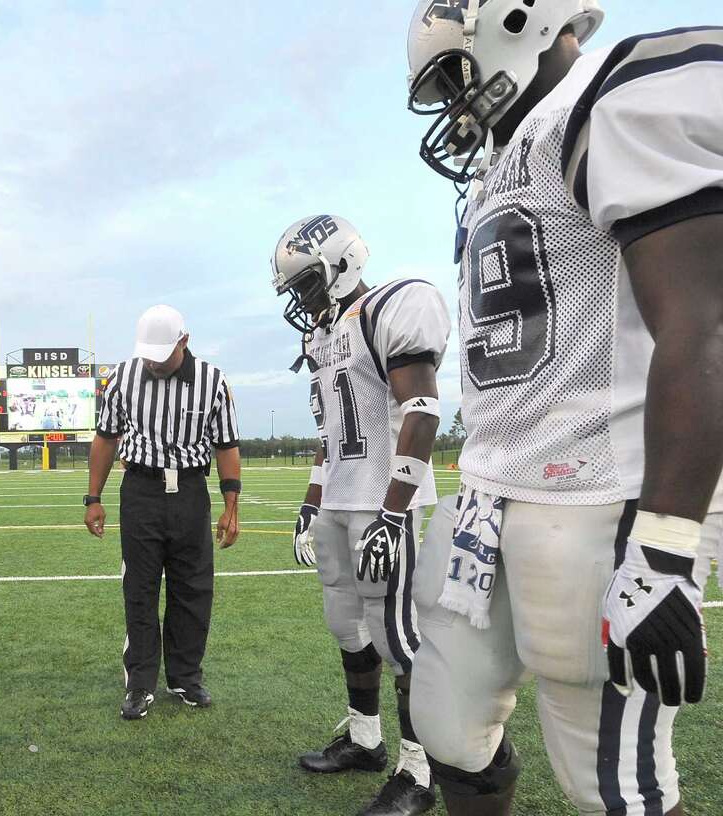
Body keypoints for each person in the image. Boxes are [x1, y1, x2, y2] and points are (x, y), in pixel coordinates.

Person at [405, 3, 723, 814]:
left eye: (452, 78)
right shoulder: (507, 160)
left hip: (595, 489)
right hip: (490, 489)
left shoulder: (604, 99)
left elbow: (706, 325)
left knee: (611, 779)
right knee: (445, 723)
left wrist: (665, 547)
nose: (452, 106)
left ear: (518, 23)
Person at [274, 215, 449, 816]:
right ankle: (365, 739)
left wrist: (395, 514)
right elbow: (328, 434)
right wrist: (309, 502)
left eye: (308, 282)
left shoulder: (388, 309)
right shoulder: (319, 336)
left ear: (343, 262)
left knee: (398, 635)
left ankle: (420, 772)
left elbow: (423, 410)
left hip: (381, 498)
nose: (303, 298)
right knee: (345, 621)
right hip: (341, 498)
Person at [84, 305, 241, 721]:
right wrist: (92, 497)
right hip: (141, 489)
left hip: (190, 490)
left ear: (184, 341)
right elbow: (106, 438)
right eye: (148, 353)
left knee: (193, 588)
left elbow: (225, 445)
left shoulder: (212, 382)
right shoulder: (123, 377)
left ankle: (185, 677)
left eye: (162, 353)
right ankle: (140, 682)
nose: (153, 362)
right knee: (140, 587)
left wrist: (231, 505)